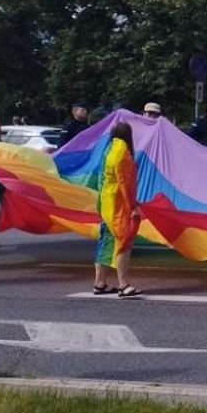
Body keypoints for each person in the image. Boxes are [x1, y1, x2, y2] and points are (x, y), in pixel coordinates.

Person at [94, 122, 142, 296]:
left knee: (106, 243)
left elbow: (102, 179)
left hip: (106, 203)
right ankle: (123, 284)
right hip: (117, 206)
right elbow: (125, 184)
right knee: (123, 243)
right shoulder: (122, 153)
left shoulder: (108, 150)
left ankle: (100, 283)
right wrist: (133, 206)